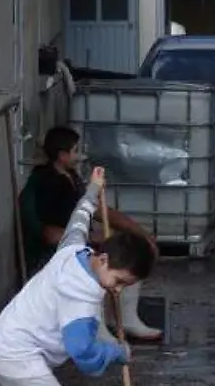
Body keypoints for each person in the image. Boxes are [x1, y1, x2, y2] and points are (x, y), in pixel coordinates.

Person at [0, 167, 156, 386]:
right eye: (119, 282)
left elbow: (80, 218)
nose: (117, 291)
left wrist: (93, 189)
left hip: (8, 339)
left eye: (125, 286)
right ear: (103, 259)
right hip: (17, 353)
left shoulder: (75, 251)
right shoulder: (81, 295)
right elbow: (83, 355)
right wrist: (118, 353)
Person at [20, 127, 164, 341]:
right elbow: (50, 233)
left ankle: (125, 319)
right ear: (62, 155)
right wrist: (92, 240)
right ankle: (98, 332)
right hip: (54, 255)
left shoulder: (72, 178)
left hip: (79, 245)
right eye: (75, 150)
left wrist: (139, 234)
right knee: (98, 270)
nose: (80, 155)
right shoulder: (45, 184)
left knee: (131, 254)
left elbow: (97, 209)